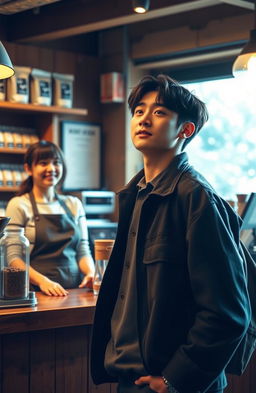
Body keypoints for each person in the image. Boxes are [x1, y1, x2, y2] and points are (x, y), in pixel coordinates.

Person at [90, 75, 251, 393]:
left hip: (173, 384)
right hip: (132, 379)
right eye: (139, 111)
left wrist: (177, 378)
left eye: (159, 112)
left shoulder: (196, 198)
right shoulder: (134, 195)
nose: (144, 118)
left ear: (185, 130)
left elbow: (229, 313)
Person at [6, 140, 95, 296]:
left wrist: (91, 273)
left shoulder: (74, 204)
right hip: (37, 291)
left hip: (75, 291)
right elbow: (13, 257)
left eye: (56, 163)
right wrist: (43, 281)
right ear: (29, 169)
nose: (51, 169)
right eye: (43, 163)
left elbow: (82, 249)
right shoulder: (19, 205)